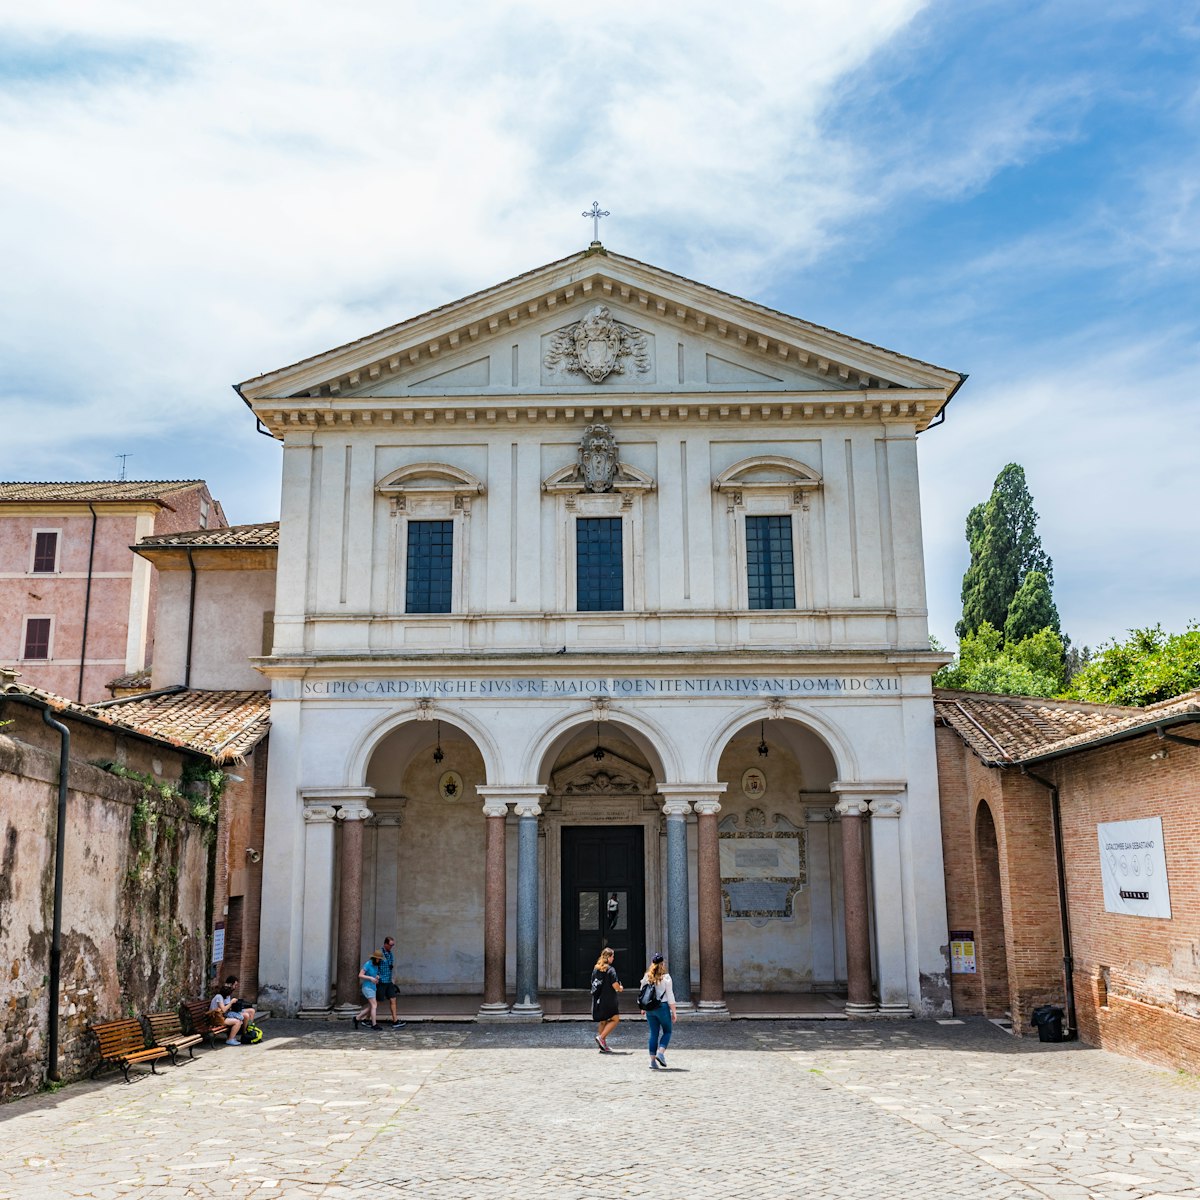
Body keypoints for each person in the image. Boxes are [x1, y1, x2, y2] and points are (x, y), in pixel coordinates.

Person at [640, 953, 677, 1069]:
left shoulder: (647, 976)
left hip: (650, 1009)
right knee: (667, 1031)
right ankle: (660, 1053)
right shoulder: (666, 978)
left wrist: (643, 1008)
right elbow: (670, 996)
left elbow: (642, 992)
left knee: (653, 1033)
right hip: (662, 1007)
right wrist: (674, 1012)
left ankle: (652, 1062)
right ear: (662, 964)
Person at [591, 947, 623, 1053]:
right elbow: (615, 985)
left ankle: (602, 1045)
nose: (613, 958)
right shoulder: (610, 969)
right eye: (612, 956)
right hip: (609, 1000)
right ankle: (601, 1038)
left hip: (598, 999)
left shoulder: (596, 968)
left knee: (603, 1021)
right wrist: (620, 988)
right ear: (608, 957)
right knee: (615, 1019)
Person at [210, 975, 255, 1045]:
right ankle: (231, 1039)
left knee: (250, 1011)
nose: (236, 987)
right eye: (235, 985)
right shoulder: (219, 997)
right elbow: (224, 1010)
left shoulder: (225, 995)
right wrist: (231, 1002)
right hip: (217, 1018)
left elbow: (227, 1008)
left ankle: (247, 1031)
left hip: (222, 1016)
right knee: (238, 1021)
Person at [378, 936, 406, 1030]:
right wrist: (376, 977)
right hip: (381, 981)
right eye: (390, 945)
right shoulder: (378, 953)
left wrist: (393, 978)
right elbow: (373, 966)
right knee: (376, 1003)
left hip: (389, 981)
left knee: (393, 1000)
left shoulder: (390, 954)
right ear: (385, 944)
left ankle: (395, 1020)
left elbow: (391, 966)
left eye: (393, 945)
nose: (391, 947)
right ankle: (365, 1018)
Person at [354, 951, 383, 1030]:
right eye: (379, 959)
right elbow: (360, 975)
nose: (380, 960)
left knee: (371, 1006)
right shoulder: (368, 964)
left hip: (373, 987)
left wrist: (376, 978)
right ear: (375, 958)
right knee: (374, 1005)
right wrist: (370, 978)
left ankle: (357, 1018)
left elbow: (374, 976)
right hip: (367, 987)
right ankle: (374, 1024)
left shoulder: (376, 965)